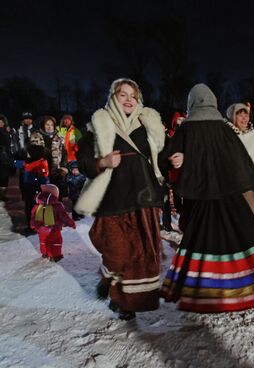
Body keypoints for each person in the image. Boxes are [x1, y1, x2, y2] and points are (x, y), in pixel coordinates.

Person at [160, 84, 254, 313]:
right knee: (239, 237)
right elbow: (241, 160)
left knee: (202, 243)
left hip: (200, 198)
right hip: (228, 196)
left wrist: (175, 160)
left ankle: (205, 292)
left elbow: (166, 159)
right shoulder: (223, 129)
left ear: (191, 103)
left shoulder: (186, 129)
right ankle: (250, 284)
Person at [76, 78, 165, 320]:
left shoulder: (148, 124)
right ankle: (111, 278)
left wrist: (175, 158)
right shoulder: (99, 124)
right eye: (122, 94)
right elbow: (83, 160)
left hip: (143, 198)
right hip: (112, 200)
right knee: (116, 251)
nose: (128, 99)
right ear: (113, 97)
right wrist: (103, 162)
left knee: (140, 255)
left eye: (133, 95)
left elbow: (162, 157)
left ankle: (125, 302)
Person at [226, 102, 254, 213]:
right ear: (233, 117)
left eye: (246, 115)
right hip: (230, 187)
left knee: (248, 218)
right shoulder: (226, 136)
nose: (244, 118)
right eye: (240, 115)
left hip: (249, 187)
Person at [30, 184, 75, 262]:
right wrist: (72, 223)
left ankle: (45, 253)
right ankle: (55, 256)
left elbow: (33, 216)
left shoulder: (37, 205)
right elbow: (64, 217)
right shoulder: (58, 205)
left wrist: (33, 225)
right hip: (53, 229)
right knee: (56, 242)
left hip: (41, 229)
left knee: (43, 241)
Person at [21, 134, 50, 230]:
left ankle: (35, 224)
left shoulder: (27, 153)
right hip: (36, 181)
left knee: (33, 203)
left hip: (33, 181)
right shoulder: (43, 155)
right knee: (41, 202)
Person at [34, 116, 68, 197]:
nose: (49, 127)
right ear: (43, 125)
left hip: (56, 171)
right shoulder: (36, 137)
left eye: (51, 125)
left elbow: (64, 153)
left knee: (56, 196)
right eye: (47, 124)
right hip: (41, 172)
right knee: (42, 197)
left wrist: (63, 166)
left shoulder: (59, 138)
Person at [0, 115, 18, 200]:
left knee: (5, 177)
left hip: (6, 157)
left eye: (2, 121)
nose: (0, 123)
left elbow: (13, 144)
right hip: (2, 156)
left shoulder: (8, 132)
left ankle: (3, 195)